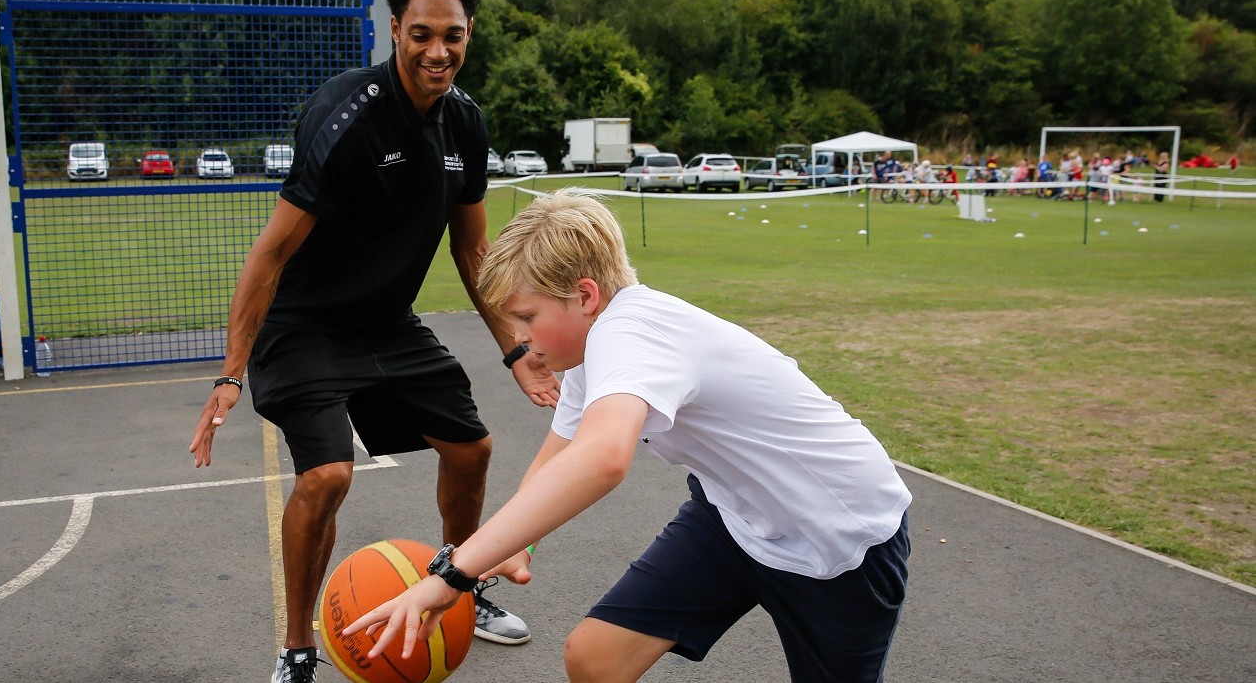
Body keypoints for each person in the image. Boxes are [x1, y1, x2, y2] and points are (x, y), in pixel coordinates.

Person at [345, 190, 914, 683]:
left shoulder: (633, 333)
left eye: (527, 317)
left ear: (585, 296)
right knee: (595, 658)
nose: (519, 338)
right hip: (736, 517)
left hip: (838, 534)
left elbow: (602, 458)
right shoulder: (586, 352)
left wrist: (453, 574)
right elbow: (558, 457)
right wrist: (517, 542)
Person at [187, 0, 558, 683]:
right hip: (304, 325)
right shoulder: (345, 115)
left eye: (452, 35)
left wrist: (518, 350)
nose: (437, 51)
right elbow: (270, 255)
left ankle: (460, 582)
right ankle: (297, 649)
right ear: (395, 30)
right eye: (422, 34)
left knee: (472, 449)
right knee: (327, 474)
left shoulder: (465, 124)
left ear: (469, 34)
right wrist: (231, 372)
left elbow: (473, 248)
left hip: (387, 323)